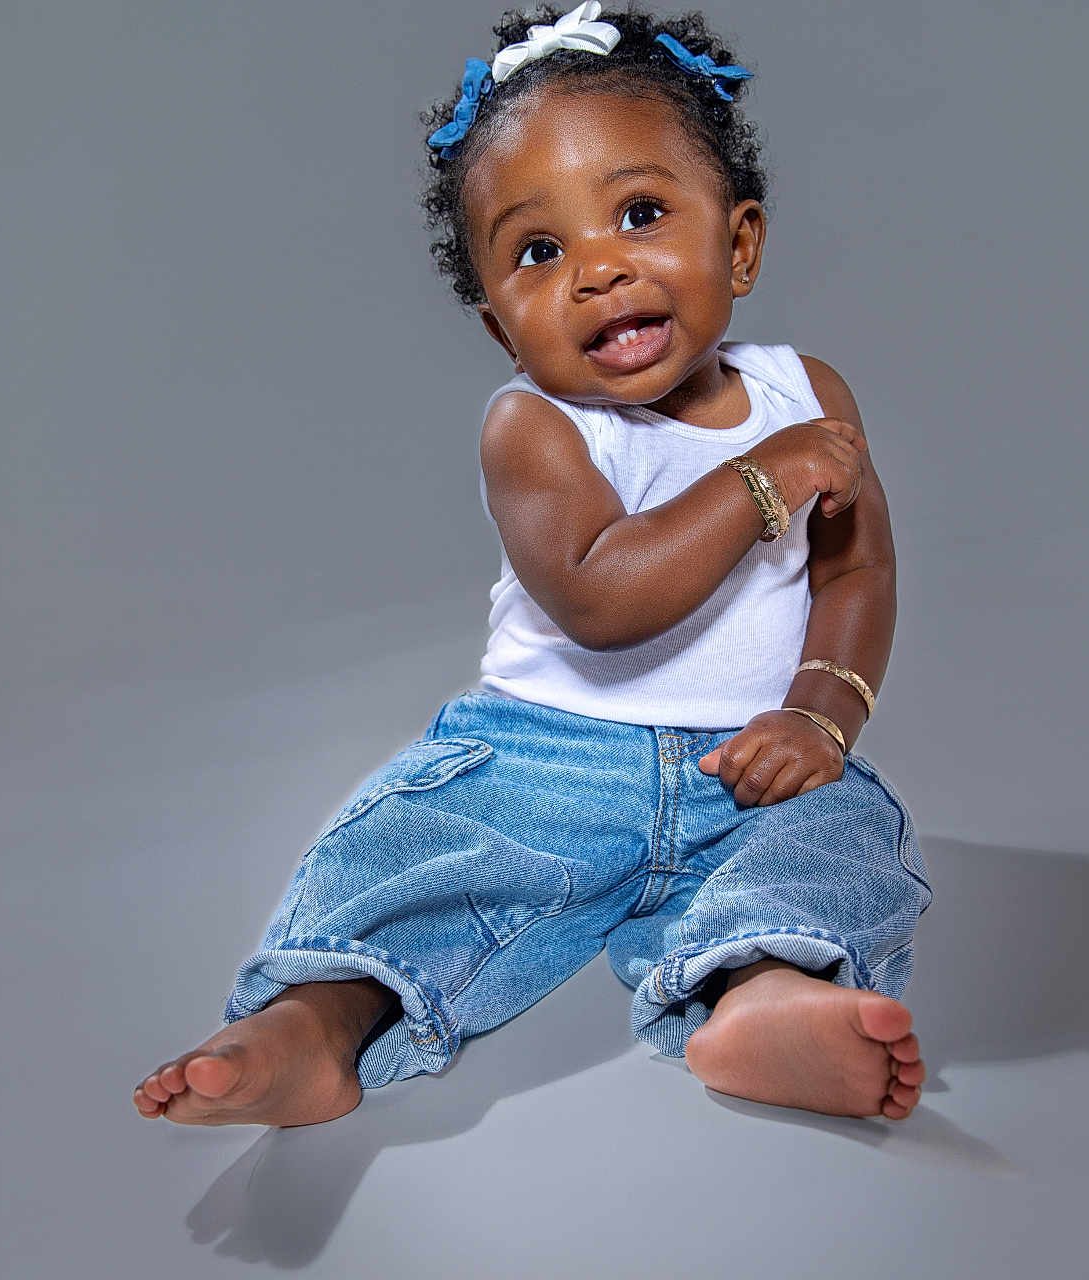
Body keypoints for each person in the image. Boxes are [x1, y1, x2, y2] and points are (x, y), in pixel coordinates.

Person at [132, 3, 932, 1129]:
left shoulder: (808, 395)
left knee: (833, 842)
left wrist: (818, 716)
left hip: (746, 764)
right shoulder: (535, 427)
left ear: (738, 241)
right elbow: (602, 597)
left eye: (641, 213)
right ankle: (312, 1021)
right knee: (412, 853)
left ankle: (763, 996)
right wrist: (760, 480)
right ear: (503, 327)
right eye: (538, 251)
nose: (598, 272)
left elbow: (856, 575)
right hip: (543, 759)